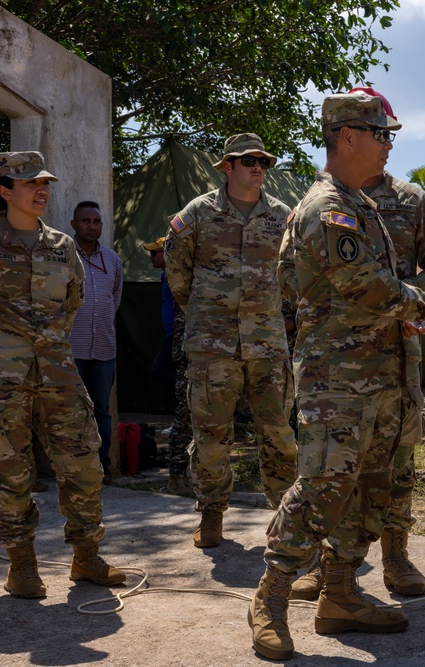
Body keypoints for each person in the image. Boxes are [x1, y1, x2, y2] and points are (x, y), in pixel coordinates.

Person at [248, 91, 425, 660]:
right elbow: (368, 288)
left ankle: (340, 596)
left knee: (372, 488)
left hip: (383, 375)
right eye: (381, 134)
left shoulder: (362, 205)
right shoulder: (328, 209)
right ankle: (268, 598)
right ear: (348, 137)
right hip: (337, 381)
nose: (389, 144)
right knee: (322, 488)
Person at [0, 151, 127, 598]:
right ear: (5, 191)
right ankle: (22, 566)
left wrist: (46, 346)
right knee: (10, 473)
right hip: (0, 379)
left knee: (84, 464)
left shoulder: (63, 247)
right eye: (29, 183)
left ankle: (86, 557)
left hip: (59, 375)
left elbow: (73, 304)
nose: (41, 190)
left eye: (44, 182)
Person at [164, 133, 297, 548]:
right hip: (212, 345)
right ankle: (210, 515)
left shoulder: (283, 217)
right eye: (247, 160)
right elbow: (177, 272)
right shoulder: (198, 214)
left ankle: (285, 520)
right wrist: (206, 314)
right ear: (227, 167)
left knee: (277, 434)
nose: (258, 166)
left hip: (267, 345)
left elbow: (295, 273)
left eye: (263, 160)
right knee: (211, 435)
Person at [69, 201, 123, 484]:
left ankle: (102, 467)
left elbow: (115, 299)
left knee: (102, 410)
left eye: (97, 221)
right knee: (71, 412)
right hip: (71, 350)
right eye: (86, 221)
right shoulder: (63, 255)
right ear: (74, 225)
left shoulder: (112, 259)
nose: (92, 226)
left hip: (104, 348)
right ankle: (74, 470)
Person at [144, 234, 194, 496]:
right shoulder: (172, 277)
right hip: (178, 341)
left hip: (193, 343)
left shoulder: (186, 274)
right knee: (185, 410)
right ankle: (177, 475)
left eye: (155, 253)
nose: (152, 257)